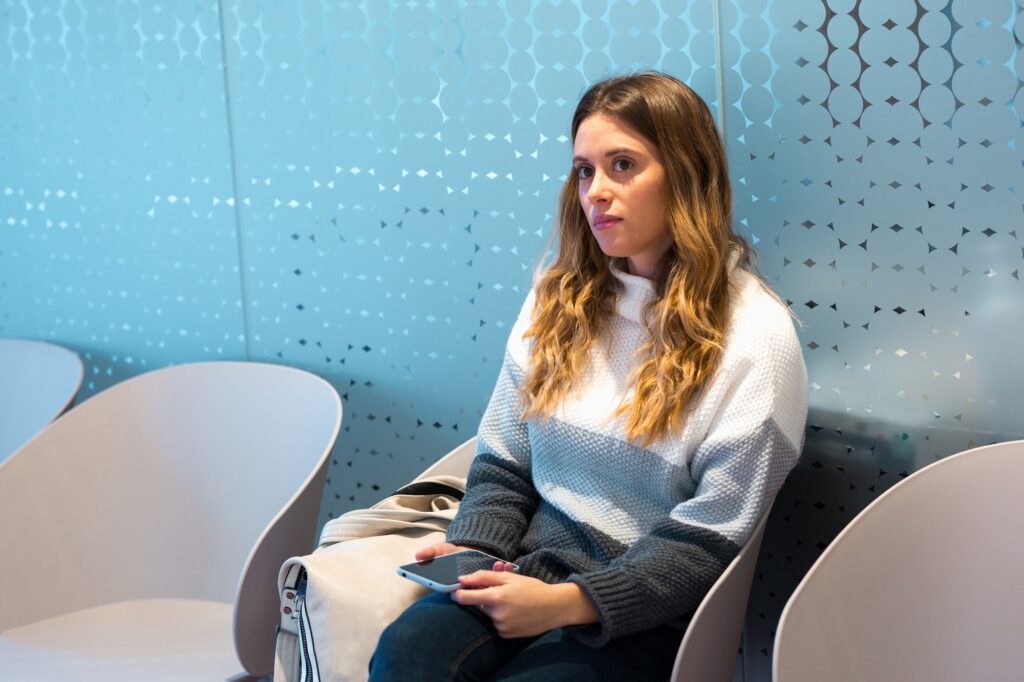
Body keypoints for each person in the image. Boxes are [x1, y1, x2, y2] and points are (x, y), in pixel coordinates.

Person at [369, 71, 808, 681]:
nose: (596, 191)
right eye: (584, 170)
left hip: (654, 610)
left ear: (686, 174)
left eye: (622, 165)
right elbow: (504, 461)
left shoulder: (756, 335)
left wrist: (567, 605)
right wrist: (478, 549)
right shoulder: (559, 301)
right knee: (405, 656)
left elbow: (711, 536)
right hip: (531, 570)